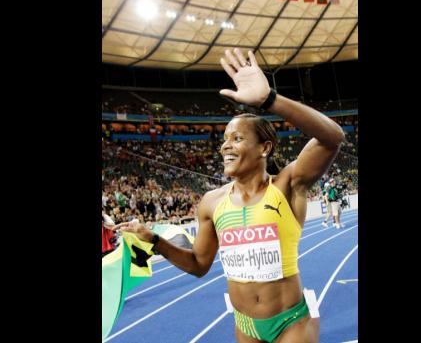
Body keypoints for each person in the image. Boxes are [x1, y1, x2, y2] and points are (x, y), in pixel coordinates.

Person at [112, 48, 344, 343]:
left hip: (291, 321)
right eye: (224, 140)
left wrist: (269, 100)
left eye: (237, 139)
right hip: (245, 324)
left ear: (265, 148)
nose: (225, 147)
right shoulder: (211, 202)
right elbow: (198, 265)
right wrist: (155, 241)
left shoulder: (288, 184)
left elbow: (333, 137)